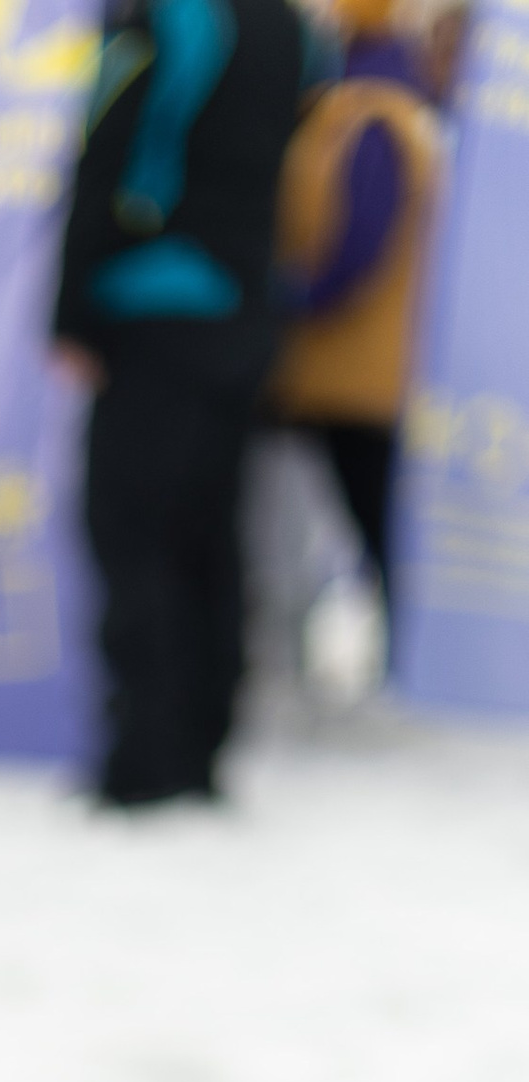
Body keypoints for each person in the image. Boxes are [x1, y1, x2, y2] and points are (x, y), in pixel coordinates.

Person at [55, 0, 318, 805]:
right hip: (243, 307)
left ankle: (145, 757)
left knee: (134, 535)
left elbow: (109, 151)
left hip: (154, 301)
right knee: (211, 539)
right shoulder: (291, 28)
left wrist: (70, 314)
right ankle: (203, 746)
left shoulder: (171, 17)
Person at [270, 0, 444, 625]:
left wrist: (289, 299)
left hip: (350, 372)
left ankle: (405, 665)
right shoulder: (372, 111)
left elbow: (360, 244)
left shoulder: (371, 115)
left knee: (375, 525)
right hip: (345, 371)